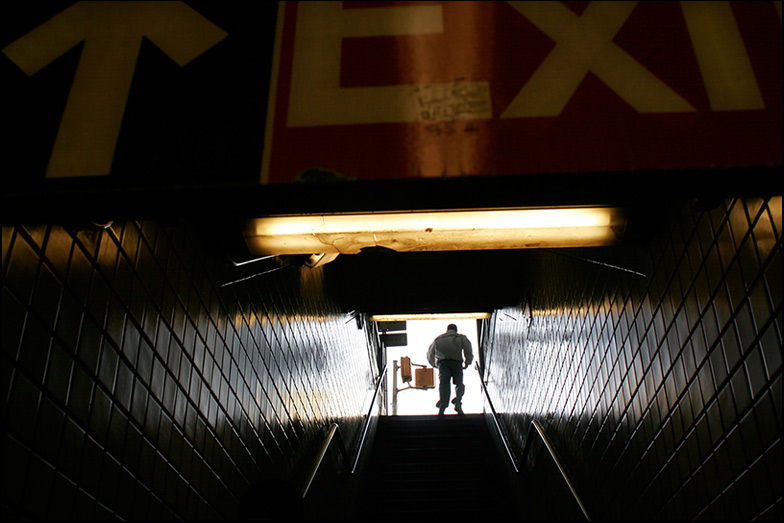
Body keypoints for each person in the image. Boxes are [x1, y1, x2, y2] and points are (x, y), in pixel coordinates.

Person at [427, 324, 473, 416]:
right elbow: (468, 348)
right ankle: (458, 402)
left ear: (447, 330)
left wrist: (435, 364)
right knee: (459, 383)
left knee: (444, 384)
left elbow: (429, 354)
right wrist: (468, 361)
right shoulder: (460, 337)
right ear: (455, 330)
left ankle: (443, 405)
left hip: (443, 364)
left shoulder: (438, 339)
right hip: (457, 363)